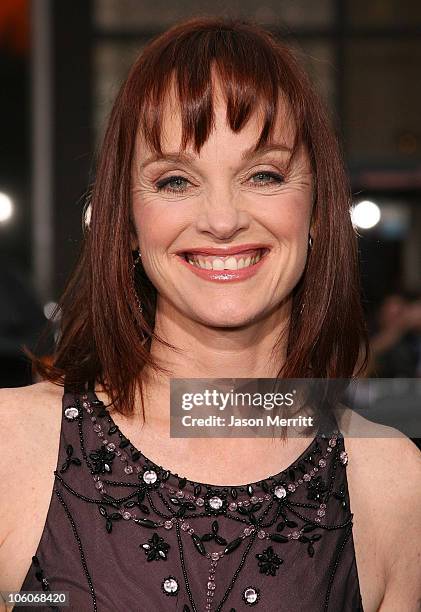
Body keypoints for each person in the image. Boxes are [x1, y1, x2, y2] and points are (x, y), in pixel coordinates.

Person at [1, 16, 420, 612]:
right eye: (175, 181)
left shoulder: (393, 481)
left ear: (319, 207)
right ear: (125, 218)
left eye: (264, 175)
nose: (222, 220)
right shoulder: (9, 448)